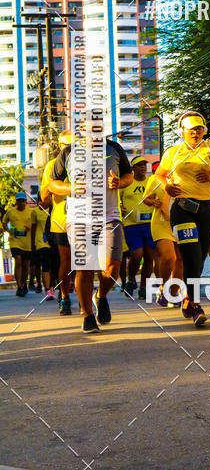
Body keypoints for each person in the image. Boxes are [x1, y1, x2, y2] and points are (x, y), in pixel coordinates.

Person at [49, 130, 132, 333]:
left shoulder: (114, 148)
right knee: (84, 268)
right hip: (79, 219)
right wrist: (71, 188)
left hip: (109, 217)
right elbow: (53, 183)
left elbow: (128, 175)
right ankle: (87, 316)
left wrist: (120, 182)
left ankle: (100, 296)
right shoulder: (68, 152)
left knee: (112, 268)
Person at [155, 111, 210, 328]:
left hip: (208, 208)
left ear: (204, 130)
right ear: (182, 131)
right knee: (191, 255)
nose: (195, 133)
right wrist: (167, 186)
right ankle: (195, 305)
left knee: (201, 256)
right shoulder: (173, 152)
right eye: (191, 129)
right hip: (182, 208)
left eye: (199, 129)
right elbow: (160, 174)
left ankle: (187, 298)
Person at [40, 131, 73, 315]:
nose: (70, 149)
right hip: (61, 218)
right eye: (67, 145)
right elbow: (44, 197)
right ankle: (65, 297)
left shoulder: (86, 163)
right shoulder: (52, 165)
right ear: (60, 146)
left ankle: (88, 297)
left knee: (84, 262)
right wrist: (50, 189)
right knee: (65, 261)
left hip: (85, 217)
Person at [142, 178, 184, 309]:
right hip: (161, 222)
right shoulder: (156, 178)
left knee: (181, 260)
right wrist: (152, 202)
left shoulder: (184, 175)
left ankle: (173, 294)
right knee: (168, 257)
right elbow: (145, 199)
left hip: (181, 221)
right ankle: (163, 289)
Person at [119, 155, 156, 300]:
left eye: (144, 165)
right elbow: (116, 198)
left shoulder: (151, 182)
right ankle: (131, 279)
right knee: (137, 254)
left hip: (150, 224)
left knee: (149, 257)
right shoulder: (126, 182)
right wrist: (120, 208)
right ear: (133, 168)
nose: (143, 167)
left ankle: (143, 288)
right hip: (131, 225)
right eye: (139, 165)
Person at [2, 192, 32, 296]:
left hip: (27, 242)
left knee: (26, 265)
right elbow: (4, 222)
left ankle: (23, 284)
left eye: (23, 201)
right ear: (16, 202)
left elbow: (36, 224)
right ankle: (19, 286)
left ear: (26, 201)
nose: (21, 203)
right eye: (19, 201)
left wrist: (30, 227)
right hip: (15, 241)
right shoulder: (10, 212)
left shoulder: (31, 211)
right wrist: (8, 231)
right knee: (18, 261)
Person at [30, 196, 53, 302]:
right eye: (41, 200)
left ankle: (52, 287)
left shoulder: (52, 210)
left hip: (53, 241)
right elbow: (33, 228)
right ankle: (47, 290)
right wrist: (32, 244)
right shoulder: (34, 212)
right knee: (45, 265)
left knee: (53, 266)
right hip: (40, 242)